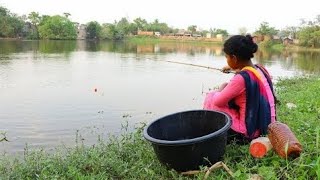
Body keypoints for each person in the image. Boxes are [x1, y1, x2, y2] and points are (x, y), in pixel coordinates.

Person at [203, 35, 277, 144]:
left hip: (250, 131)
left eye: (227, 57)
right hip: (268, 124)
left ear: (234, 58)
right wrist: (233, 67)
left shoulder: (241, 78)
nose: (227, 60)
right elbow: (245, 70)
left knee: (211, 98)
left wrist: (220, 89)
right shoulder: (260, 69)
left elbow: (217, 102)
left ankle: (209, 132)